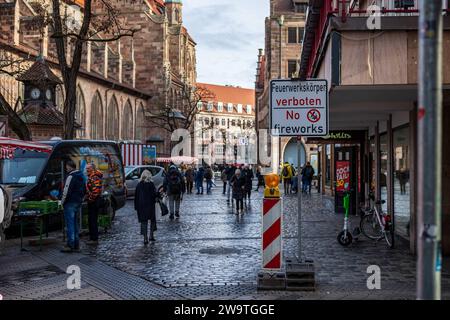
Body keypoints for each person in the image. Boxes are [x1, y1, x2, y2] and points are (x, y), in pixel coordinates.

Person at [61, 160, 85, 253]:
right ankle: (76, 244)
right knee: (75, 224)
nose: (66, 168)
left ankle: (70, 244)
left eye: (67, 167)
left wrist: (62, 202)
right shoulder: (81, 176)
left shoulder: (71, 176)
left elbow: (66, 191)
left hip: (70, 202)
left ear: (70, 167)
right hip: (77, 202)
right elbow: (84, 189)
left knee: (70, 224)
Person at [135, 170, 158, 244]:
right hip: (150, 205)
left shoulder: (139, 185)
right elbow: (154, 195)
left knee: (144, 222)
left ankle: (145, 238)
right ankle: (151, 235)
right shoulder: (151, 184)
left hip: (141, 206)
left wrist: (136, 206)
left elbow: (136, 197)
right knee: (152, 220)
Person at [85, 164, 103, 245]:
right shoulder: (91, 176)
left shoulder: (94, 177)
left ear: (92, 168)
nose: (86, 170)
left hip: (94, 202)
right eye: (86, 168)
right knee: (92, 220)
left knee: (93, 220)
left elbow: (95, 192)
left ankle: (94, 239)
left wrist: (90, 199)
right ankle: (92, 238)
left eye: (88, 168)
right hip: (93, 201)